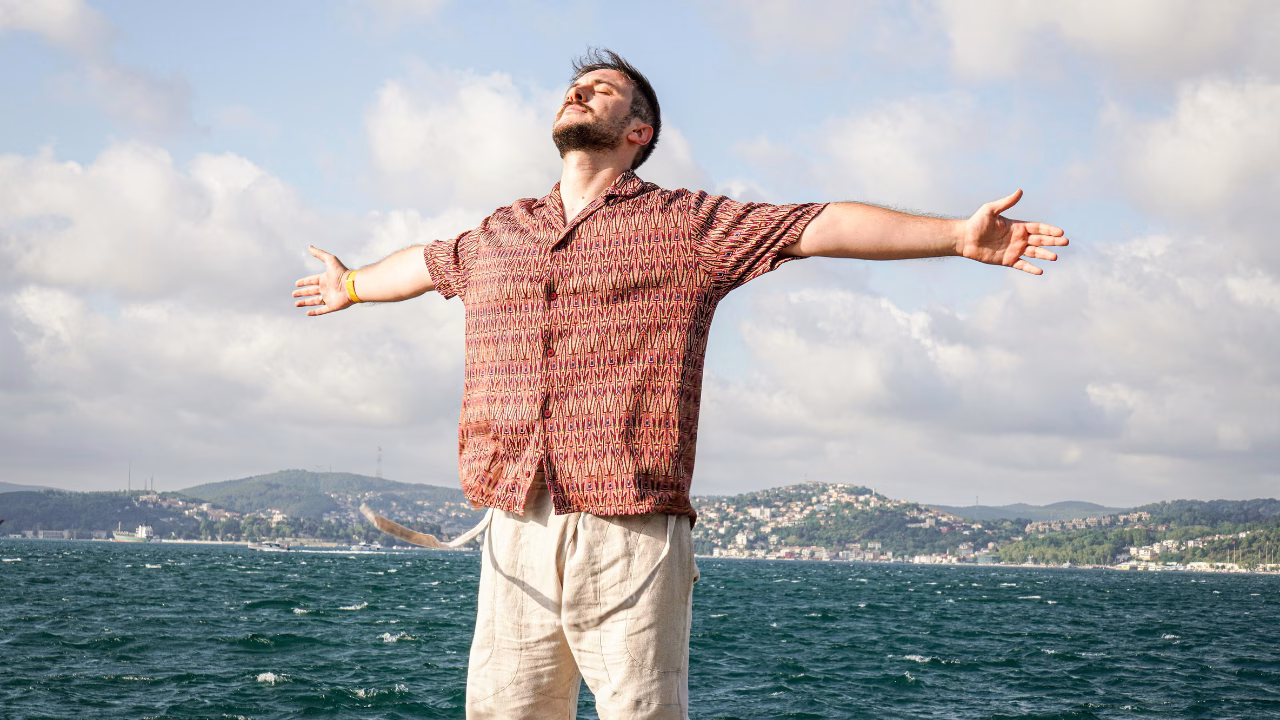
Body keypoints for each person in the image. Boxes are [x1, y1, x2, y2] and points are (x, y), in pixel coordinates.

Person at [293, 48, 1068, 720]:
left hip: (630, 522)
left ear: (640, 133)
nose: (579, 91)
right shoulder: (499, 232)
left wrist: (955, 237)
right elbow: (424, 265)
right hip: (513, 516)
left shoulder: (686, 226)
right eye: (575, 87)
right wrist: (349, 285)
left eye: (602, 89)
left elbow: (816, 225)